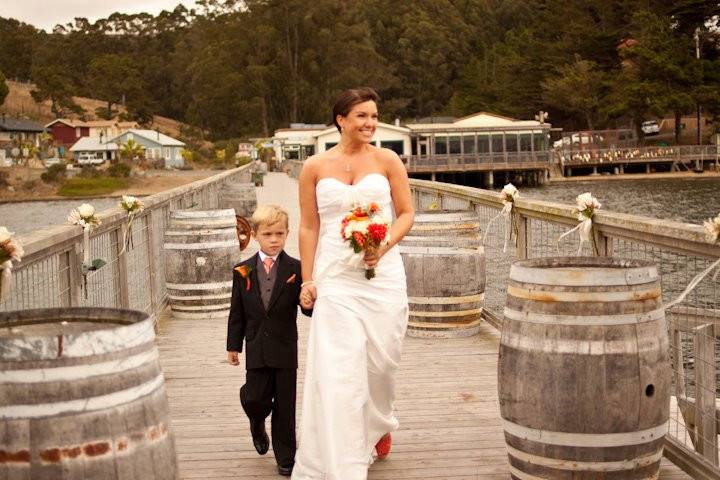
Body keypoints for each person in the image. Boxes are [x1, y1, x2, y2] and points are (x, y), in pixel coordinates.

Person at [292, 87, 415, 479]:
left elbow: (407, 213)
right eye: (361, 116)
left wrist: (383, 243)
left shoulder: (388, 160)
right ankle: (342, 458)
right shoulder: (313, 166)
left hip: (382, 273)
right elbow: (309, 227)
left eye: (374, 116)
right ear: (340, 120)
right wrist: (308, 279)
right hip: (336, 277)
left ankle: (378, 423)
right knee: (339, 369)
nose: (370, 123)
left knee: (381, 364)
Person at [227, 204, 311, 477]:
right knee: (255, 398)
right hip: (256, 347)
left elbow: (307, 308)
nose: (274, 240)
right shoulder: (243, 270)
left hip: (285, 348)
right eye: (268, 234)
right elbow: (237, 311)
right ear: (254, 235)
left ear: (287, 234)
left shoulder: (297, 269)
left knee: (285, 407)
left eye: (279, 234)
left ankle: (286, 457)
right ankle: (256, 420)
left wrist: (308, 300)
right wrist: (233, 345)